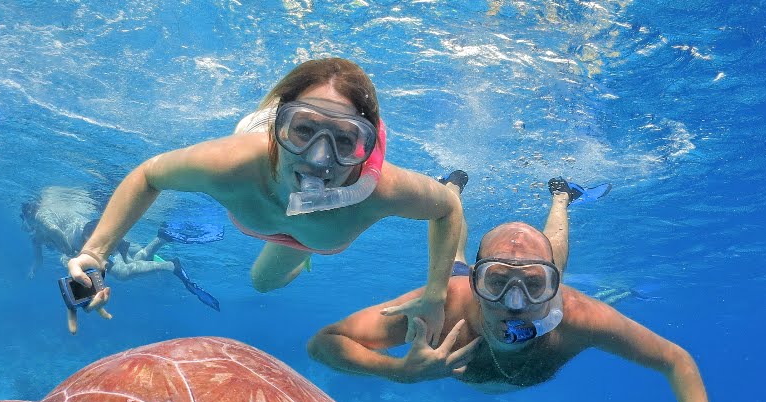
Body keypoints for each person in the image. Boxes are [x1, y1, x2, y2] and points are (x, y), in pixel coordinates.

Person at [307, 178, 738, 402]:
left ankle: (561, 198)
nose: (515, 304)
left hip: (533, 284)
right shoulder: (445, 304)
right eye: (496, 281)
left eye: (534, 285)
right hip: (461, 278)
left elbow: (676, 361)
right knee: (450, 263)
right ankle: (450, 195)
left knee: (552, 254)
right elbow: (324, 342)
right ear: (477, 281)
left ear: (554, 288)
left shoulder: (580, 317)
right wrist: (398, 372)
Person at [65, 57, 466, 341]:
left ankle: (385, 167)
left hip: (309, 233)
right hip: (279, 185)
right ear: (278, 126)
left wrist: (435, 294)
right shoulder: (232, 164)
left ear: (365, 145)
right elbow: (148, 174)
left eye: (345, 140)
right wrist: (95, 254)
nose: (319, 159)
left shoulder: (381, 190)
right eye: (303, 130)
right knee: (262, 282)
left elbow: (448, 210)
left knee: (262, 282)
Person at [22, 187, 219, 323]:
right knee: (130, 262)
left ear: (30, 216)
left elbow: (55, 231)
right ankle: (161, 239)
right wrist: (32, 271)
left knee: (124, 273)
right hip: (91, 235)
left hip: (89, 237)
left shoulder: (41, 219)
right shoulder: (36, 236)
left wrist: (71, 254)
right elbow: (38, 258)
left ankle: (171, 265)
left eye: (26, 220)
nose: (27, 226)